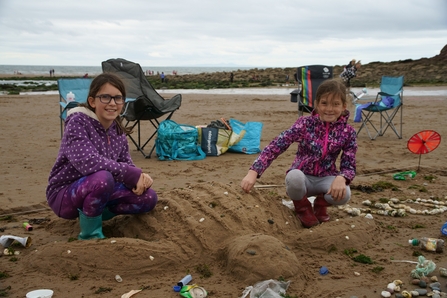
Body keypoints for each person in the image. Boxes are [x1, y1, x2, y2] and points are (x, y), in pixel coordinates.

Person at [46, 73, 158, 240]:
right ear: (92, 101)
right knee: (102, 178)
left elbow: (126, 163)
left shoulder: (118, 130)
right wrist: (129, 173)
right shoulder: (77, 122)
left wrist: (140, 177)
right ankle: (90, 235)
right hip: (65, 195)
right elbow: (87, 162)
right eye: (105, 97)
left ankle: (95, 212)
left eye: (118, 98)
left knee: (149, 197)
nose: (112, 103)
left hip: (101, 191)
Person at [241, 78, 357, 228]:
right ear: (316, 104)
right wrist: (253, 171)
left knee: (345, 194)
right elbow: (277, 145)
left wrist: (342, 177)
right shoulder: (304, 124)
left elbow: (349, 164)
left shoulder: (349, 132)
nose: (329, 109)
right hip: (303, 179)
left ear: (343, 107)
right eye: (324, 103)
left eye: (335, 104)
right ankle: (302, 207)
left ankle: (321, 204)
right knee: (294, 176)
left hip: (326, 179)